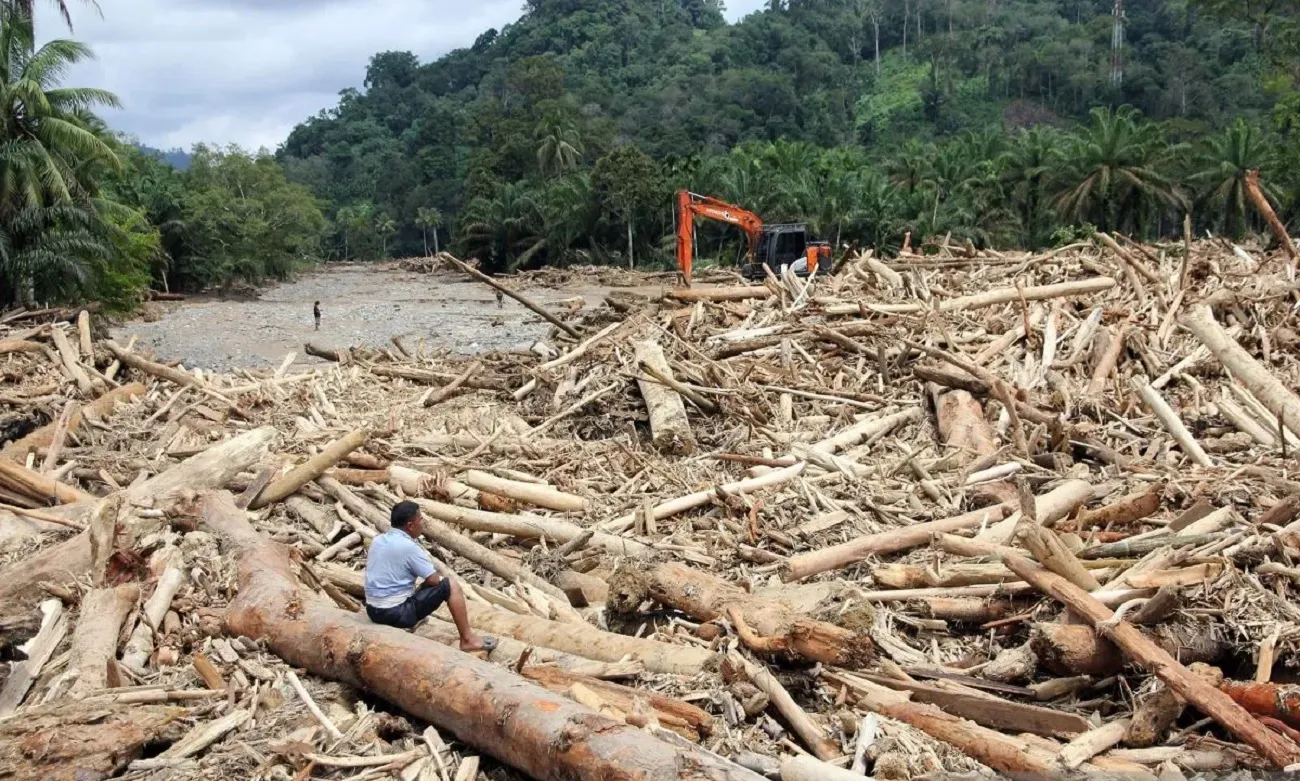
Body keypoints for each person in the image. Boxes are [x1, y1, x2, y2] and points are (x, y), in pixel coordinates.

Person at [363, 501, 496, 652]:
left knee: (425, 584)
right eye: (420, 519)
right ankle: (467, 639)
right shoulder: (409, 548)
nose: (423, 522)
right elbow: (433, 579)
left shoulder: (378, 540)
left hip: (373, 610)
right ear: (410, 526)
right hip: (395, 614)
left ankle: (410, 616)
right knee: (451, 585)